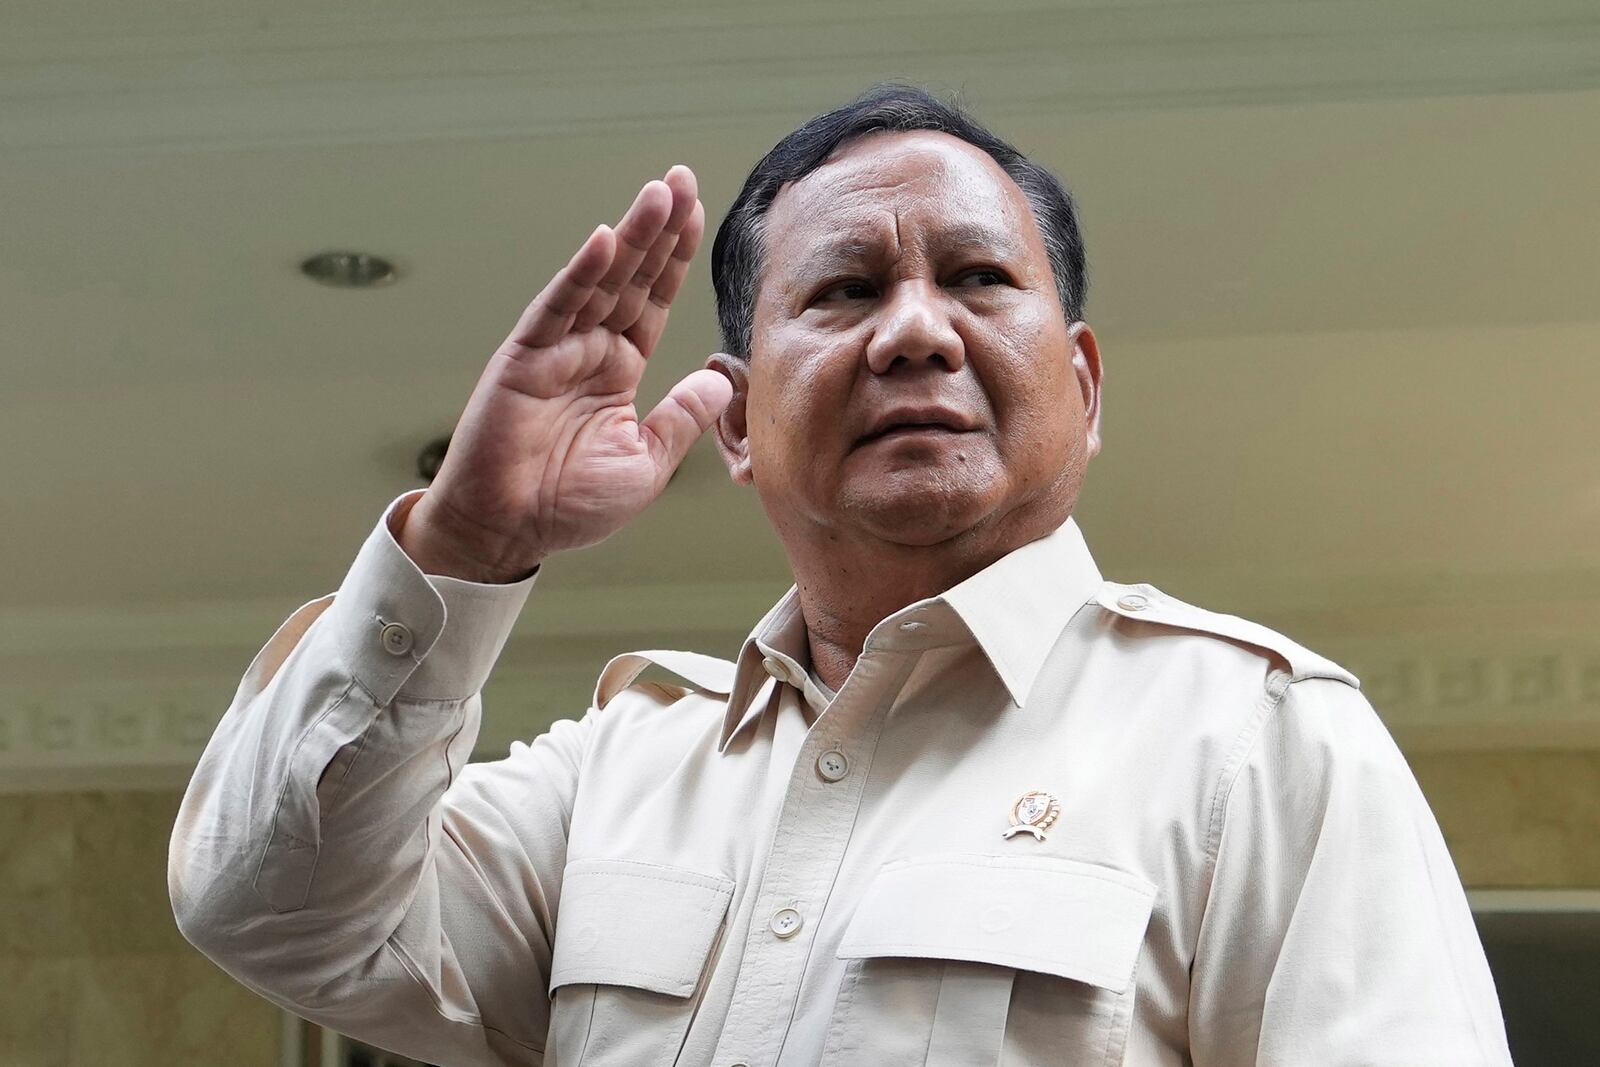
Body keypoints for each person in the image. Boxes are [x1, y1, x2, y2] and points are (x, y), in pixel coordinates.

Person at [169, 85, 1512, 1066]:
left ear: (1084, 387)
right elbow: (268, 911)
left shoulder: (1262, 744)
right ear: (740, 424)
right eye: (846, 291)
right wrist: (460, 550)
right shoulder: (619, 780)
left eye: (980, 279)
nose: (917, 331)